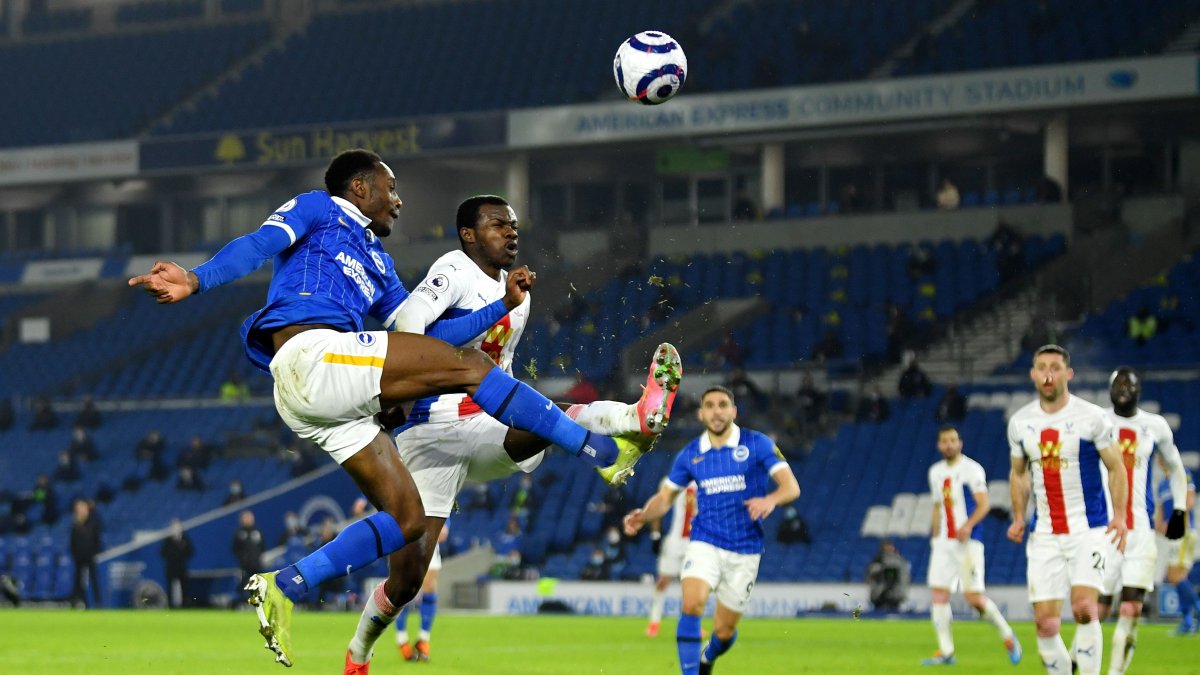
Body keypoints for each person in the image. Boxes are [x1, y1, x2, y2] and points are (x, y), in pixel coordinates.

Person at [130, 151, 643, 667]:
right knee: (470, 368)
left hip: (328, 394)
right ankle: (597, 449)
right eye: (390, 188)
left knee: (408, 521)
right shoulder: (318, 209)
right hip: (311, 355)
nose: (398, 200)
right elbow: (258, 245)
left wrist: (499, 308)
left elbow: (422, 338)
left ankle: (284, 586)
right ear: (358, 187)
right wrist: (197, 279)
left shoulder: (381, 265)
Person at [342, 194, 681, 673]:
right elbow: (408, 327)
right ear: (468, 234)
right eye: (498, 224)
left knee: (551, 418)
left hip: (484, 425)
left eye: (514, 225)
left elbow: (501, 370)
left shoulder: (517, 294)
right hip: (431, 433)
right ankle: (358, 651)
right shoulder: (453, 270)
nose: (511, 231)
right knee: (407, 581)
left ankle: (635, 419)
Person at [623, 386, 801, 675]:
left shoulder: (758, 444)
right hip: (704, 541)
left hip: (746, 549)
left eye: (723, 405)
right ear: (701, 413)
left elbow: (791, 487)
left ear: (733, 411)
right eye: (710, 405)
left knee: (724, 631)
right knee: (691, 604)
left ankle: (708, 657)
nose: (716, 411)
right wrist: (643, 516)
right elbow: (665, 497)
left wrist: (770, 499)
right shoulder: (690, 454)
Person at [1007, 345, 1128, 675]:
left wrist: (1119, 516)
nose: (1048, 374)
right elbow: (1018, 474)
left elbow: (1116, 467)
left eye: (1056, 367)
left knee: (1084, 608)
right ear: (1032, 374)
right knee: (1045, 624)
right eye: (1042, 367)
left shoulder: (1092, 417)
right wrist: (1019, 516)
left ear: (1068, 374)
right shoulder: (1020, 424)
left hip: (1089, 530)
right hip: (1045, 533)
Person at [1080, 366, 1188, 671]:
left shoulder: (1155, 426)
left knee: (1131, 607)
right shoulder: (1095, 421)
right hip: (1103, 531)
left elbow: (1177, 469)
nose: (1124, 388)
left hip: (1140, 530)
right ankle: (1084, 665)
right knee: (1094, 609)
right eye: (1119, 384)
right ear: (1110, 389)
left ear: (1139, 390)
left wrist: (1179, 508)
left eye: (1130, 384)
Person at [921, 425, 1021, 666]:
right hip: (944, 543)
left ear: (960, 443)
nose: (949, 445)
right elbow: (937, 506)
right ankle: (947, 652)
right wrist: (935, 537)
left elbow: (983, 504)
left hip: (968, 543)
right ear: (939, 445)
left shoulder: (972, 470)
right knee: (938, 594)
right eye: (944, 441)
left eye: (953, 440)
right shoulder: (935, 472)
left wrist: (967, 526)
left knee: (974, 599)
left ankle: (1008, 636)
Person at [644, 481, 697, 637]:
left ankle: (692, 625)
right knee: (663, 581)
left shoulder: (707, 476)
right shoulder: (675, 479)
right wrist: (655, 534)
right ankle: (654, 622)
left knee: (694, 584)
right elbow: (660, 504)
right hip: (675, 541)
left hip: (696, 541)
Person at [395, 523, 449, 662]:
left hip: (429, 531)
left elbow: (444, 501)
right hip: (406, 531)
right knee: (405, 587)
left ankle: (423, 640)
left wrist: (445, 524)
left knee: (430, 585)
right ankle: (402, 639)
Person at [1156, 455, 1196, 635]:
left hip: (1184, 532)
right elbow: (1160, 514)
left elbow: (1189, 501)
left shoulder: (1183, 474)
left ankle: (1192, 616)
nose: (1163, 461)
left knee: (1174, 576)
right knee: (1179, 577)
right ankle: (1188, 621)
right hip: (1173, 536)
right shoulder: (1162, 485)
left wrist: (1174, 522)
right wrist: (1160, 526)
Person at [69, 498, 102, 608]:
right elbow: (72, 542)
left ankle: (97, 603)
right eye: (78, 508)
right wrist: (75, 554)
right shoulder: (75, 524)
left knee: (93, 580)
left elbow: (97, 539)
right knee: (78, 581)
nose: (80, 510)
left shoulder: (93, 522)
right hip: (79, 557)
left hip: (90, 555)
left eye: (82, 507)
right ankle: (79, 602)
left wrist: (95, 552)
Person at [866, 539, 910, 612]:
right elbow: (871, 574)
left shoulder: (899, 560)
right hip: (881, 593)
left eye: (890, 546)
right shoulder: (878, 559)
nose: (889, 548)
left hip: (895, 592)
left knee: (893, 612)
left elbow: (904, 576)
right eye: (887, 546)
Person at [161, 518, 194, 609]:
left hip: (182, 567)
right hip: (171, 568)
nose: (176, 529)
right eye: (174, 527)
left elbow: (190, 552)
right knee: (170, 589)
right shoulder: (167, 540)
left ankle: (184, 606)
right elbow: (163, 553)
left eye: (177, 527)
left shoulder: (185, 539)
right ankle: (171, 606)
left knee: (184, 588)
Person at [232, 510, 264, 593]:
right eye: (246, 518)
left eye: (250, 518)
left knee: (258, 584)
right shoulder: (239, 533)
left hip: (257, 564)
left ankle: (258, 601)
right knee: (244, 583)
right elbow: (235, 548)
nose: (248, 520)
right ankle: (242, 601)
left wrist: (257, 556)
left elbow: (262, 546)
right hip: (244, 565)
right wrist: (242, 557)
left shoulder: (257, 531)